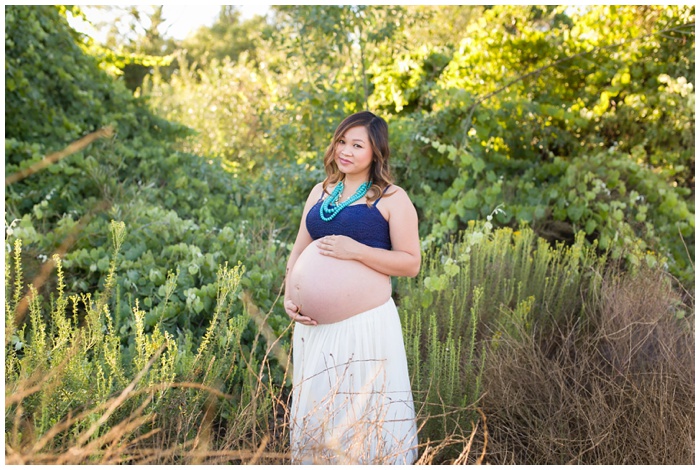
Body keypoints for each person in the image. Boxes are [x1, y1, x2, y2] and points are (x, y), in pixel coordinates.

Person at [284, 111, 421, 464]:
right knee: (320, 409)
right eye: (342, 141)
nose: (345, 150)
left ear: (376, 152)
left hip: (364, 326)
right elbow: (299, 249)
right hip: (313, 330)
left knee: (360, 412)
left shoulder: (392, 198)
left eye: (357, 145)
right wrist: (290, 294)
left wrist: (356, 251)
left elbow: (411, 262)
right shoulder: (321, 191)